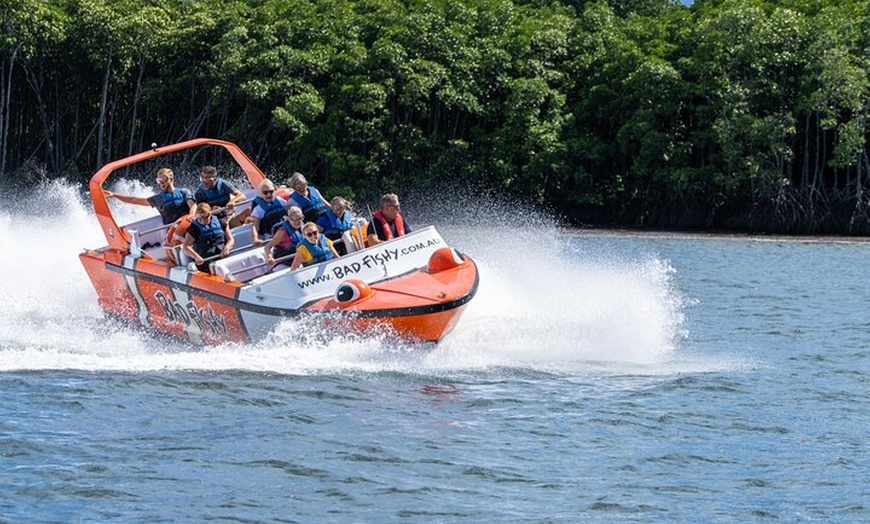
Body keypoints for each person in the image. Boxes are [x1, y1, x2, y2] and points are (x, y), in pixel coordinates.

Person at [104, 167, 195, 224]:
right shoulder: (158, 199)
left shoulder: (184, 192)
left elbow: (193, 206)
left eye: (164, 179)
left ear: (171, 179)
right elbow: (134, 200)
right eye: (158, 180)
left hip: (188, 224)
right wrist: (113, 195)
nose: (161, 183)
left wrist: (191, 216)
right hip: (172, 230)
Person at [182, 203, 235, 272]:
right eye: (200, 217)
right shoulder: (194, 228)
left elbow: (230, 239)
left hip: (222, 255)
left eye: (206, 217)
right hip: (206, 260)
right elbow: (186, 247)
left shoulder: (221, 222)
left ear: (210, 214)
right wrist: (196, 256)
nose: (203, 220)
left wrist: (227, 248)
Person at [248, 179, 290, 245]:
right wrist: (255, 238)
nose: (269, 194)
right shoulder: (258, 209)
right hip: (271, 236)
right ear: (260, 194)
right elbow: (255, 227)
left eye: (271, 191)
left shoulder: (280, 200)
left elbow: (290, 213)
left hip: (286, 229)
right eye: (265, 192)